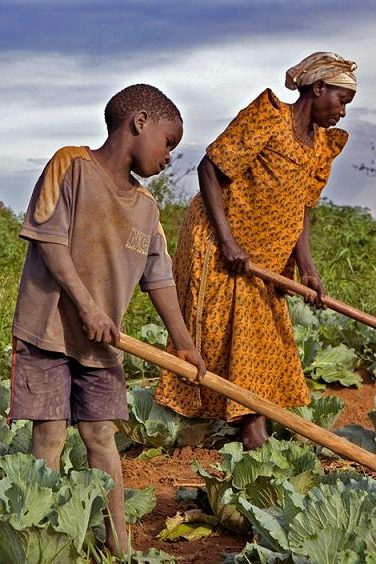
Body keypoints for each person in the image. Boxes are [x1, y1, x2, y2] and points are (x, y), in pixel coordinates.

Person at [9, 84, 205, 557]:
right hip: (47, 331)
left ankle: (119, 546)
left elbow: (159, 280)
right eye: (168, 142)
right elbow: (49, 240)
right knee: (50, 437)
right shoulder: (71, 165)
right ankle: (46, 542)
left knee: (101, 438)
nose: (168, 158)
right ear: (139, 122)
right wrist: (88, 306)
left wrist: (183, 341)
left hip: (101, 346)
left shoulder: (147, 209)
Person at [155, 52, 356, 450]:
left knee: (265, 336)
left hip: (266, 260)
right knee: (220, 331)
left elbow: (301, 208)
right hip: (218, 244)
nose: (343, 112)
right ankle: (243, 427)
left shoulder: (320, 147)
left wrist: (307, 267)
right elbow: (209, 169)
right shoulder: (269, 117)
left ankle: (246, 422)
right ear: (318, 89)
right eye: (341, 100)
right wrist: (228, 241)